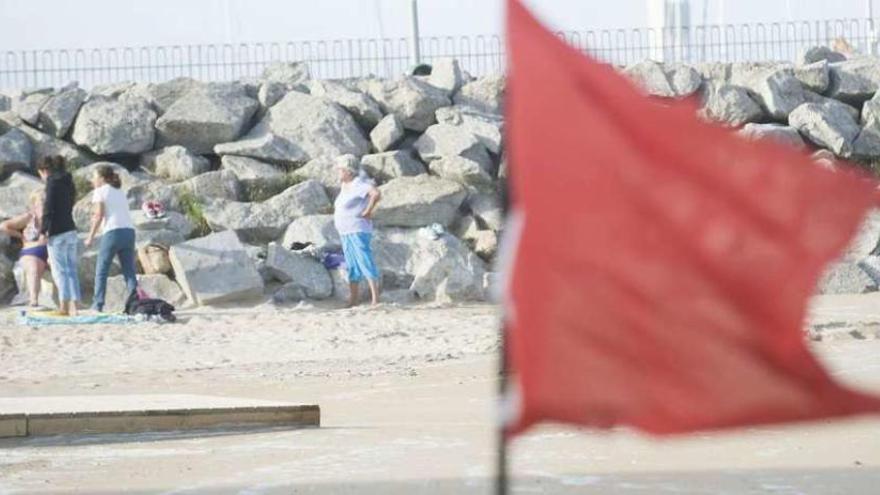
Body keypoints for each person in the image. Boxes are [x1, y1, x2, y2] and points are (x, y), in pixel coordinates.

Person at [85, 164, 138, 313]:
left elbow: (98, 215)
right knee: (129, 270)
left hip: (113, 232)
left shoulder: (100, 191)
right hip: (129, 232)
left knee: (101, 270)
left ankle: (97, 304)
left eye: (94, 177)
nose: (92, 180)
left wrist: (90, 237)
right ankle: (135, 302)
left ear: (101, 179)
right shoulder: (119, 191)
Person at [333, 155, 382, 307]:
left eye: (340, 170)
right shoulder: (345, 186)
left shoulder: (358, 184)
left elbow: (376, 193)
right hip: (346, 231)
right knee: (352, 265)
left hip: (357, 229)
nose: (338, 173)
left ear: (348, 171)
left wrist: (368, 211)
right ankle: (353, 299)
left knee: (364, 261)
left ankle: (375, 300)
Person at [37, 155, 80, 316]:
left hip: (56, 232)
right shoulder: (69, 181)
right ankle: (75, 307)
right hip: (71, 228)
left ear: (44, 171)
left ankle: (63, 306)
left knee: (60, 270)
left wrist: (43, 231)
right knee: (71, 269)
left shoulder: (51, 183)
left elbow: (48, 209)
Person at [0, 188, 49, 308]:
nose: (43, 203)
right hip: (31, 251)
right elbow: (4, 226)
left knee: (58, 265)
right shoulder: (29, 217)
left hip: (49, 250)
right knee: (33, 268)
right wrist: (20, 235)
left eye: (45, 201)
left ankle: (68, 301)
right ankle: (34, 301)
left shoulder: (53, 217)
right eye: (40, 201)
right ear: (34, 204)